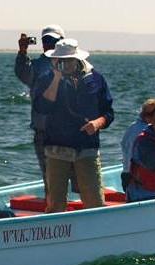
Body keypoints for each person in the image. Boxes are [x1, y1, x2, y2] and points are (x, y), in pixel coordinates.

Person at [31, 38, 114, 212]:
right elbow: (42, 107)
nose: (65, 64)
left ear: (77, 59)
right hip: (56, 149)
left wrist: (97, 123)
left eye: (68, 59)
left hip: (87, 148)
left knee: (95, 202)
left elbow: (108, 113)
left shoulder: (96, 79)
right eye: (61, 60)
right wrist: (56, 79)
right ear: (55, 60)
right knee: (55, 203)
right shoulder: (47, 78)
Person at [15, 24, 66, 187]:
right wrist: (22, 52)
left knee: (76, 176)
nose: (49, 43)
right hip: (44, 132)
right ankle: (53, 207)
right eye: (46, 40)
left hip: (69, 131)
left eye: (54, 40)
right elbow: (23, 73)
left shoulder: (73, 63)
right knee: (50, 179)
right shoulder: (36, 66)